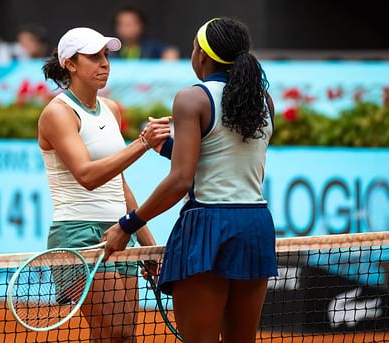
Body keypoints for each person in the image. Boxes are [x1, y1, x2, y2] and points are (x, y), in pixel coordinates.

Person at [103, 17, 278, 343]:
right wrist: (165, 147)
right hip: (255, 225)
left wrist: (128, 224)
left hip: (207, 225)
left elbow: (181, 180)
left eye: (194, 48)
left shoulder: (192, 98)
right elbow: (223, 158)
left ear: (203, 56)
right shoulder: (264, 101)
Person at [39, 27, 170, 342]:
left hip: (120, 230)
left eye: (106, 56)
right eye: (94, 57)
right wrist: (142, 143)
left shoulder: (111, 109)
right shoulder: (57, 113)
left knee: (119, 337)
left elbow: (119, 183)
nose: (104, 63)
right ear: (70, 64)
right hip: (78, 234)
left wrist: (146, 243)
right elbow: (88, 176)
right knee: (117, 331)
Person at [112, 6, 179, 60]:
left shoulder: (151, 46)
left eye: (129, 24)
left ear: (141, 25)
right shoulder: (110, 50)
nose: (126, 28)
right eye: (121, 24)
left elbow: (171, 52)